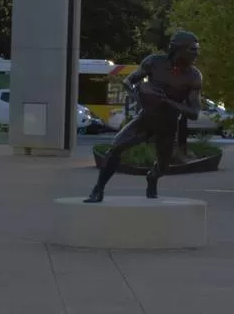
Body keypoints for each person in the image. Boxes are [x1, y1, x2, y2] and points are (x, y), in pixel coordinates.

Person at [84, 31, 202, 203]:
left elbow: (194, 113)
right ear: (179, 49)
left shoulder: (194, 76)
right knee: (115, 147)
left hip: (168, 124)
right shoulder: (154, 62)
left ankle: (152, 177)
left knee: (163, 167)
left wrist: (167, 102)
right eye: (193, 50)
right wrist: (138, 96)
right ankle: (98, 189)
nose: (197, 53)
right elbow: (128, 81)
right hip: (146, 118)